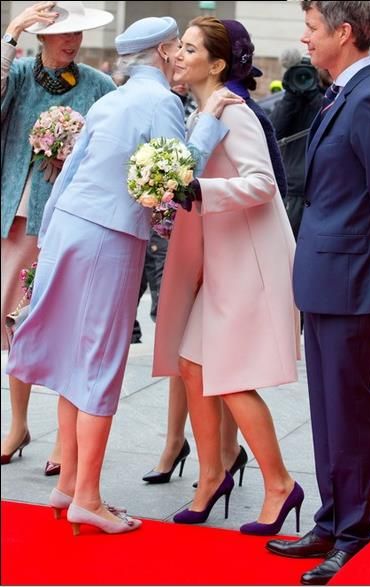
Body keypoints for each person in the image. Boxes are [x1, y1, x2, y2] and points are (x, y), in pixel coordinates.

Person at [5, 15, 240, 535]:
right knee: (98, 364)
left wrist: (49, 246)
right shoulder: (158, 103)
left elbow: (68, 173)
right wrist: (209, 120)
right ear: (160, 52)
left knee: (74, 361)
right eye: (176, 47)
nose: (180, 56)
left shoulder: (112, 98)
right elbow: (177, 173)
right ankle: (86, 495)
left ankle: (68, 484)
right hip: (106, 238)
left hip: (69, 227)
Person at [266, 2, 370, 584]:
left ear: (343, 33)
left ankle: (353, 530)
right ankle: (331, 518)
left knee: (350, 412)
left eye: (311, 28)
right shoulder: (341, 92)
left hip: (355, 281)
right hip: (327, 276)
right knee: (326, 412)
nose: (304, 39)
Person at [153, 16, 302, 535]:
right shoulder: (206, 109)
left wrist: (198, 191)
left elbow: (262, 184)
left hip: (252, 260)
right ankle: (213, 472)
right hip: (226, 257)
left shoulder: (234, 113)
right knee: (193, 365)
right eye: (179, 48)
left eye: (189, 49)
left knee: (232, 378)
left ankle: (281, 485)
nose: (177, 55)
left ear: (216, 64)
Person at [1, 0, 116, 475]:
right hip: (13, 215)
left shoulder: (99, 86)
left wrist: (73, 158)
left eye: (78, 35)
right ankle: (19, 423)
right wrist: (11, 34)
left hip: (66, 220)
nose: (72, 42)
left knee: (54, 322)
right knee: (12, 322)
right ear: (42, 37)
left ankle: (63, 439)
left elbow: (113, 148)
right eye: (63, 34)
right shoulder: (22, 74)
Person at [270, 52, 324, 239]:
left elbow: (325, 123)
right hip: (291, 190)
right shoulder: (284, 103)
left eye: (307, 75)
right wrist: (290, 98)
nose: (302, 80)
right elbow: (274, 131)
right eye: (298, 76)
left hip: (317, 190)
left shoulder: (324, 103)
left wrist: (314, 95)